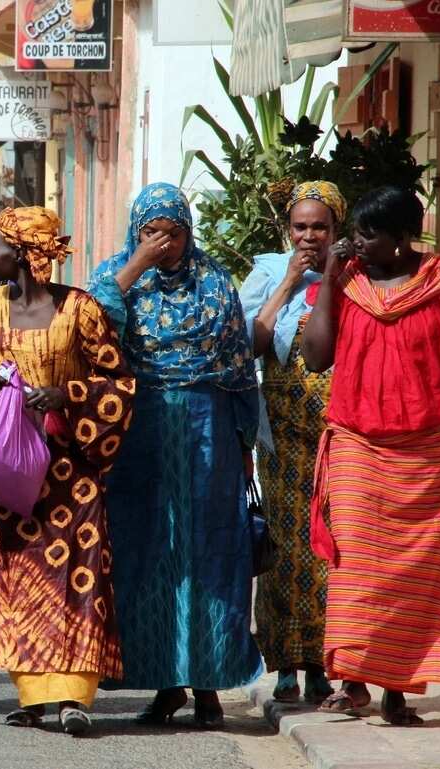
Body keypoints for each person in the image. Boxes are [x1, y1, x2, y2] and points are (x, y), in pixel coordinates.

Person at [303, 186, 440, 725]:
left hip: (422, 449)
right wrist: (330, 284)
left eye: (369, 234)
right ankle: (352, 680)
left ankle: (396, 689)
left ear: (403, 239)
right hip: (356, 438)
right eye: (354, 231)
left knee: (411, 573)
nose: (356, 241)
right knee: (356, 559)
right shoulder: (347, 282)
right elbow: (316, 356)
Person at [0, 206, 136, 736]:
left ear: (26, 253)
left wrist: (68, 395)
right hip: (9, 469)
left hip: (70, 472)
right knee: (18, 578)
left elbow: (118, 383)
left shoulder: (81, 310)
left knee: (77, 576)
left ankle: (75, 697)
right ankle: (32, 696)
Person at [87, 182, 261, 728]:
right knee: (151, 554)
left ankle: (208, 684)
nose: (165, 242)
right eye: (150, 232)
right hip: (139, 435)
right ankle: (165, 683)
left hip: (208, 434)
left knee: (208, 556)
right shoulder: (118, 277)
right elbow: (91, 326)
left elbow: (237, 368)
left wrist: (244, 445)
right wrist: (136, 263)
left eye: (174, 232)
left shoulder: (214, 282)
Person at [239, 181, 344, 705]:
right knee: (284, 545)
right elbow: (246, 343)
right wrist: (287, 282)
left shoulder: (353, 275)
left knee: (330, 546)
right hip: (280, 434)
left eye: (319, 227)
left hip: (338, 432)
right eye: (300, 227)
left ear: (336, 230)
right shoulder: (266, 273)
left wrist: (327, 280)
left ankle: (324, 662)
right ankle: (283, 661)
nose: (309, 236)